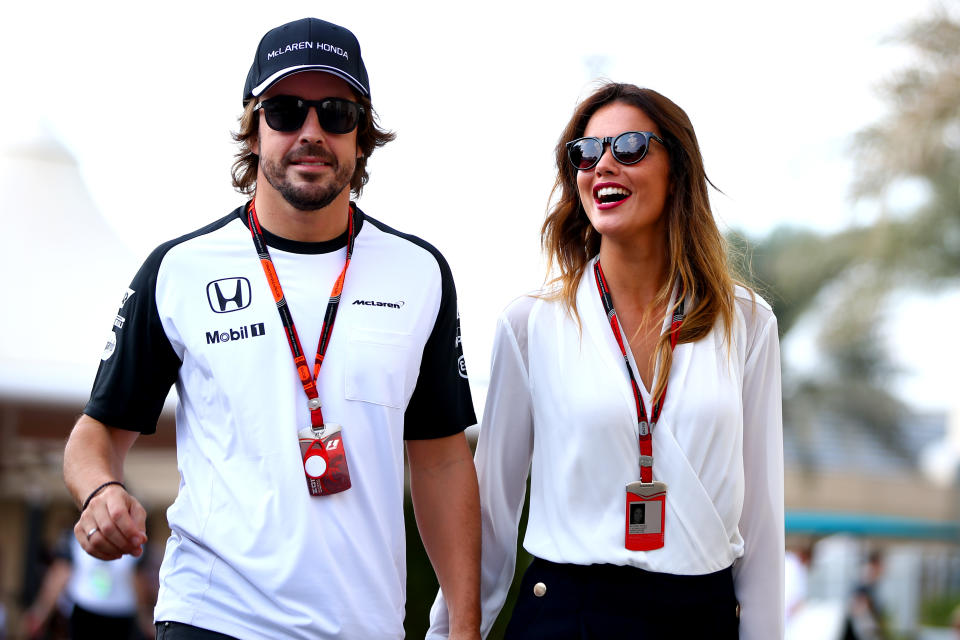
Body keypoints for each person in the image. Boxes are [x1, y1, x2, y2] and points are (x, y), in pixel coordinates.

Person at [62, 17, 481, 640]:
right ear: (253, 132)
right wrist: (101, 493)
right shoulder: (179, 270)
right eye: (285, 111)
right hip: (214, 616)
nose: (311, 133)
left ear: (361, 137)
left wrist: (465, 626)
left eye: (336, 113)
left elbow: (443, 460)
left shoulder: (419, 272)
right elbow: (94, 434)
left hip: (364, 625)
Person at [428, 82, 784, 639]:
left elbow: (761, 522)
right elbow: (492, 515)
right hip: (568, 617)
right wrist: (455, 632)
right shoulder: (530, 324)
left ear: (678, 168)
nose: (604, 166)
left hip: (701, 618)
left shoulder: (748, 322)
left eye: (631, 147)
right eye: (586, 153)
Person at [22, 530, 155, 639]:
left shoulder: (135, 539)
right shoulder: (77, 534)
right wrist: (40, 612)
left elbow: (137, 580)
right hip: (86, 610)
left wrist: (144, 618)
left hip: (120, 613)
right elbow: (61, 573)